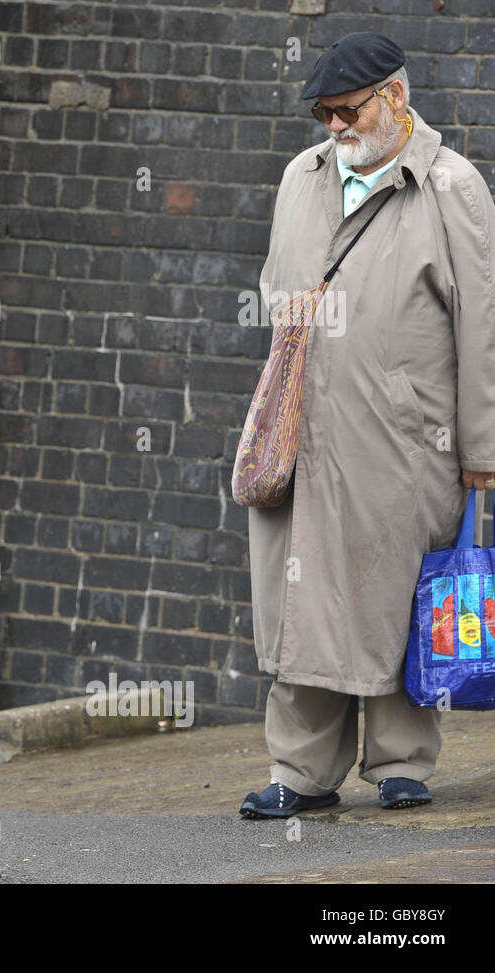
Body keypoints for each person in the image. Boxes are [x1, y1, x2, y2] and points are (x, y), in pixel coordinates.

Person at [240, 32, 495, 818]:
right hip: (305, 436)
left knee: (399, 593)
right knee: (304, 601)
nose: (334, 127)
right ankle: (301, 771)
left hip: (409, 440)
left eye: (347, 110)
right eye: (323, 114)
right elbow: (275, 283)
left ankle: (401, 760)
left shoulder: (452, 187)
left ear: (394, 97)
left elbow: (482, 323)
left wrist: (482, 450)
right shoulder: (301, 177)